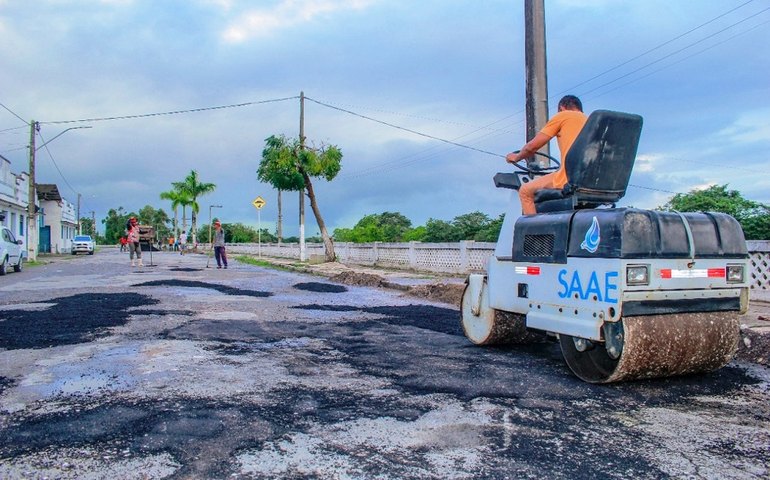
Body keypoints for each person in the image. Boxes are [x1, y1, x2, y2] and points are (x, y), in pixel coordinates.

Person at [506, 95, 588, 216]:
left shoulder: (563, 115)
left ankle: (533, 228)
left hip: (570, 178)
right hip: (591, 181)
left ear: (561, 108)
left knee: (525, 191)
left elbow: (531, 147)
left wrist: (516, 157)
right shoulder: (590, 121)